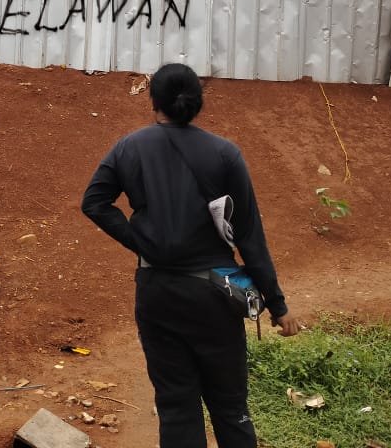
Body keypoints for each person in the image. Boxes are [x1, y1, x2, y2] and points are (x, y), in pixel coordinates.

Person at [81, 62, 299, 448]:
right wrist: (278, 305)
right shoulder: (225, 154)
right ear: (198, 103)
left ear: (154, 101)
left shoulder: (129, 147)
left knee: (177, 406)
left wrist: (141, 241)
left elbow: (95, 202)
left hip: (157, 292)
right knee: (231, 407)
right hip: (215, 297)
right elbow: (248, 235)